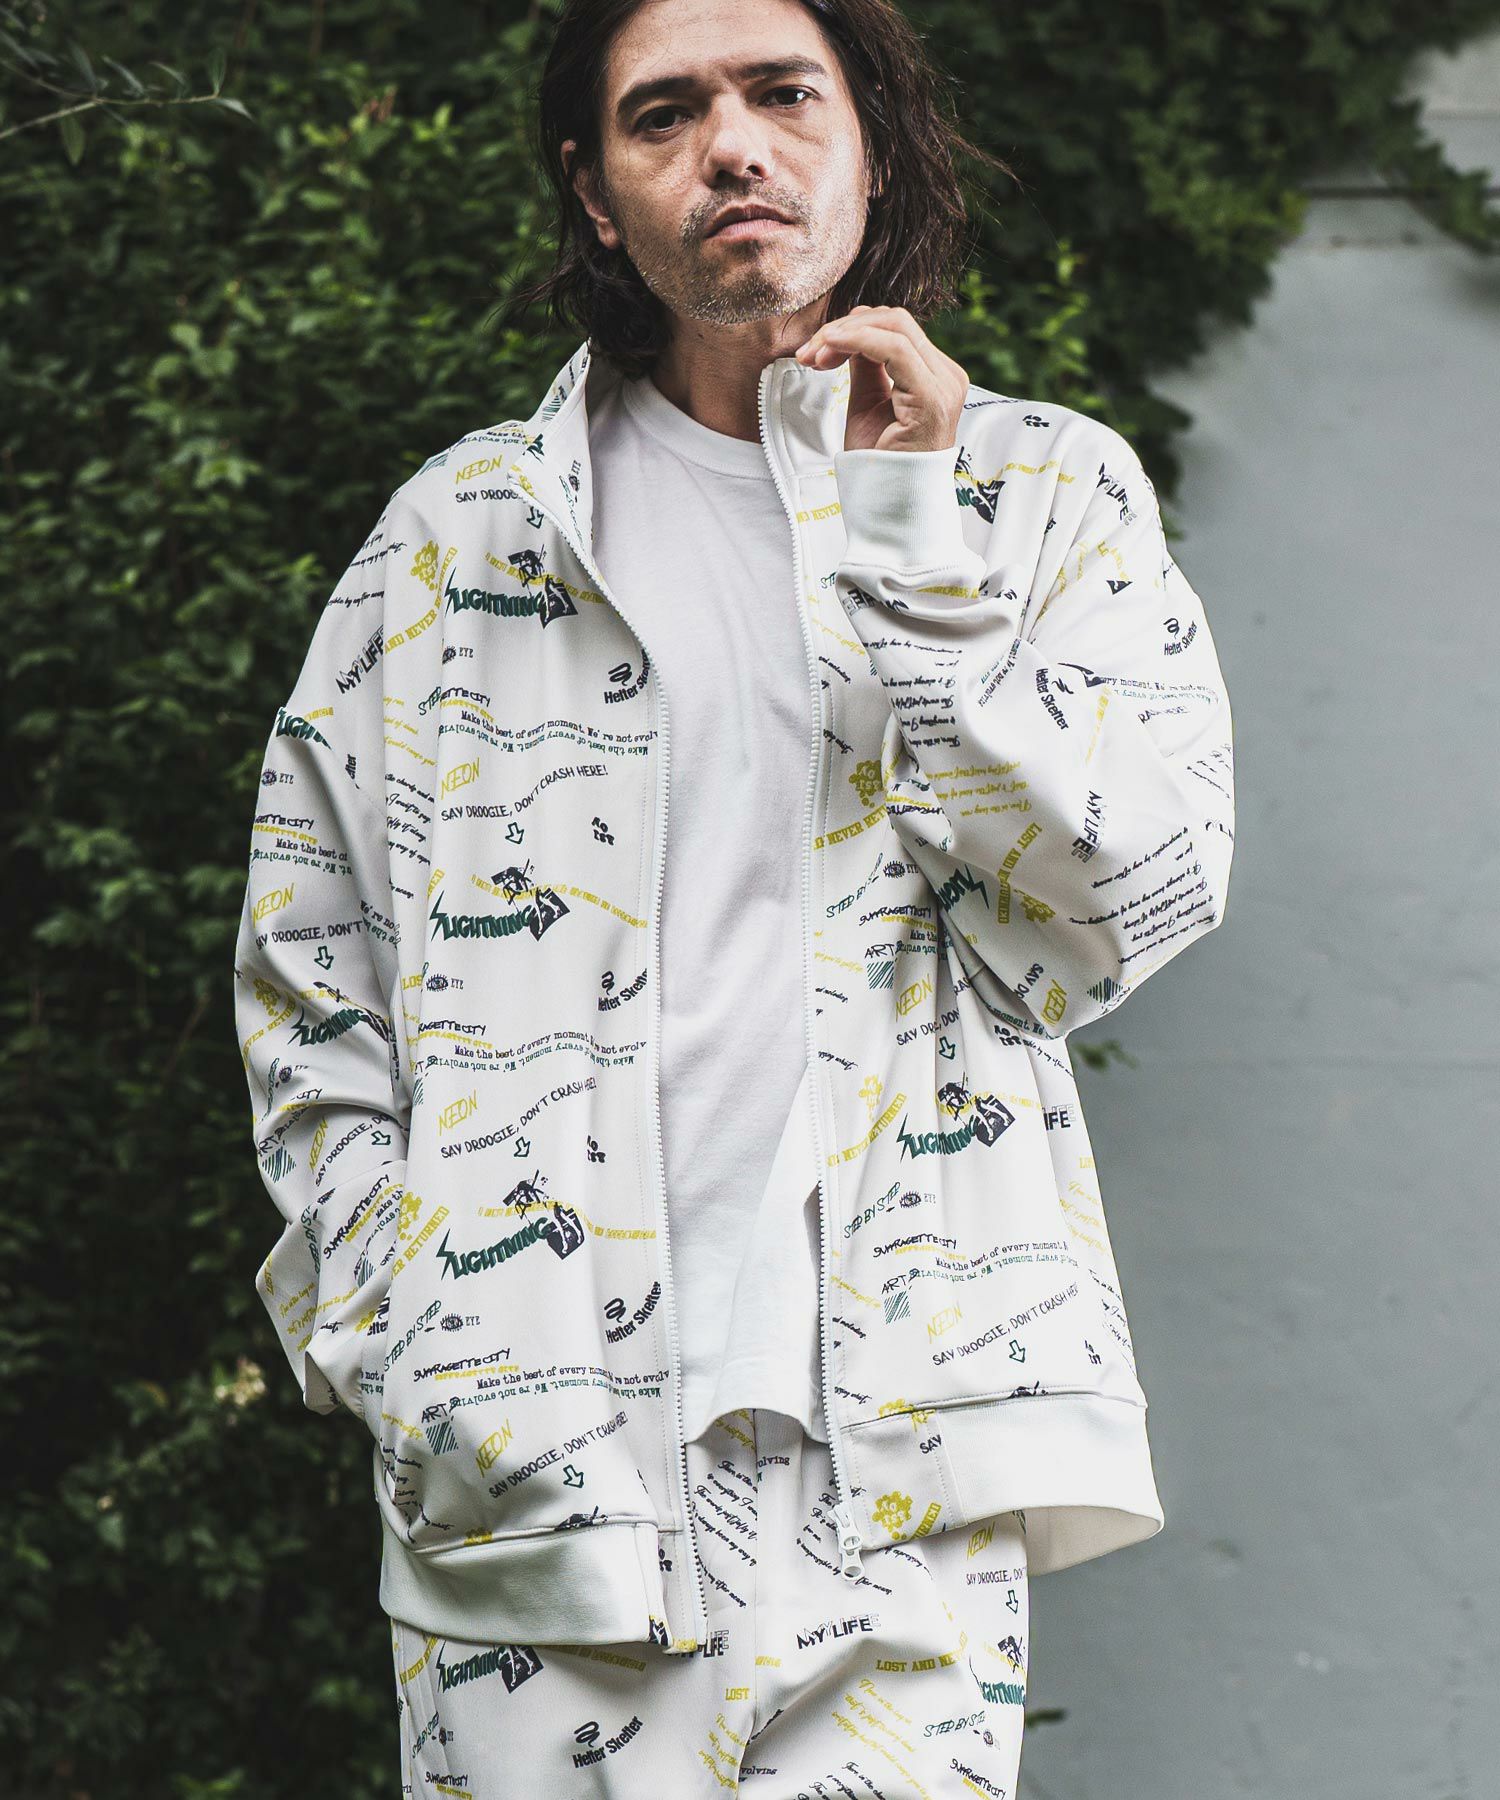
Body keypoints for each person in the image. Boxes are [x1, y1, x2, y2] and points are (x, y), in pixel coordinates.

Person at [231, 0, 1236, 1791]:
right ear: (597, 192)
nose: (735, 147)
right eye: (665, 113)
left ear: (871, 146)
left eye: (784, 94)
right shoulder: (455, 541)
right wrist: (412, 1328)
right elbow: (310, 971)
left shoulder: (1043, 496)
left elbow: (1114, 907)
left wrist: (911, 545)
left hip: (910, 1459)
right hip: (529, 1462)